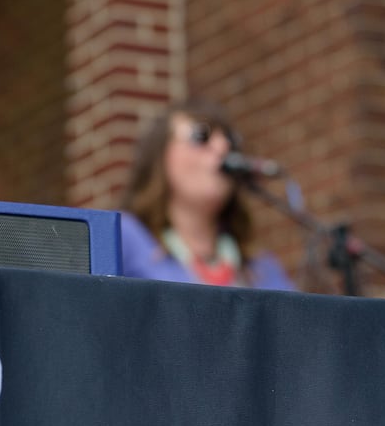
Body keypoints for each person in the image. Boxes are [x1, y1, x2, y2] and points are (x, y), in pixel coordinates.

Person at [119, 102, 295, 289]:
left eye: (231, 140)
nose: (222, 147)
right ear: (159, 157)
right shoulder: (124, 237)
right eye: (200, 136)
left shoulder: (262, 266)